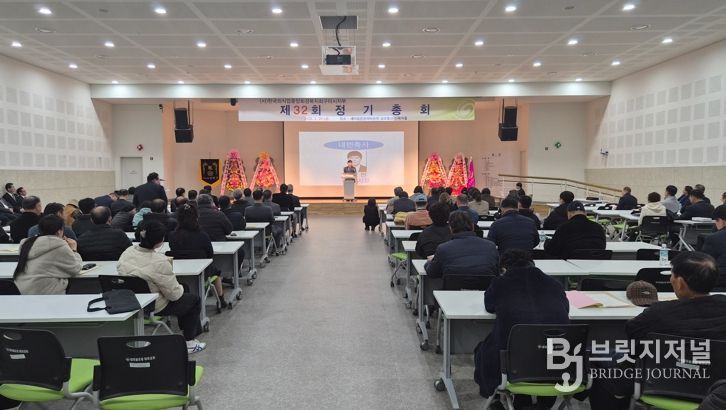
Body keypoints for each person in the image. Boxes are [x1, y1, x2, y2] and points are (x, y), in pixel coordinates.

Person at [589, 252, 726, 409]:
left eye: (672, 275)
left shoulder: (658, 314)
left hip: (659, 383)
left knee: (598, 354)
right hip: (714, 391)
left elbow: (632, 334)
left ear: (680, 283)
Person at [474, 249, 568, 404]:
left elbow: (489, 305)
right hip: (558, 363)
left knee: (482, 350)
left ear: (503, 268)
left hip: (514, 364)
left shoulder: (500, 283)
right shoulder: (554, 283)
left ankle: (515, 401)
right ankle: (544, 404)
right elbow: (566, 308)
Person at [117, 220, 206, 354]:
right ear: (160, 241)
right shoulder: (160, 262)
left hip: (130, 300)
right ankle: (189, 342)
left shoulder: (128, 252)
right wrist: (179, 287)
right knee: (194, 300)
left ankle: (189, 330)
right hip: (154, 305)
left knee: (185, 287)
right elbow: (174, 295)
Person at [168, 203, 226, 308]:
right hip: (202, 273)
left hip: (178, 273)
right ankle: (221, 299)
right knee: (216, 273)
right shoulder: (202, 235)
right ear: (196, 217)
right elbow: (210, 254)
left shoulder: (172, 236)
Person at [13, 215, 82, 295]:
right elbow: (75, 269)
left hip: (21, 289)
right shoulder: (59, 245)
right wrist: (74, 250)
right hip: (46, 291)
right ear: (59, 231)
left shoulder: (27, 243)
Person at [425, 211, 499, 278]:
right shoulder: (491, 246)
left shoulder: (443, 249)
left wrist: (430, 262)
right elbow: (496, 272)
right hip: (484, 288)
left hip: (452, 288)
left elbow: (432, 273)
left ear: (450, 228)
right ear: (472, 226)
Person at [701, 205, 726, 289]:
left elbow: (705, 264)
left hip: (720, 285)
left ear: (723, 221)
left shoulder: (714, 238)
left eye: (716, 221)